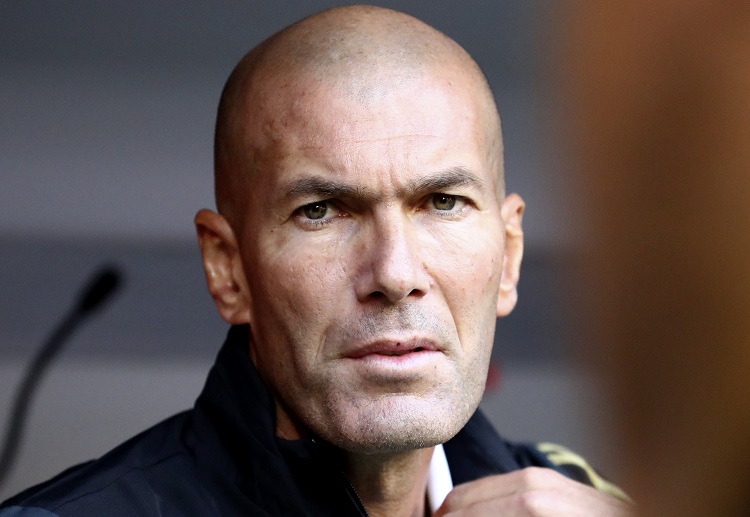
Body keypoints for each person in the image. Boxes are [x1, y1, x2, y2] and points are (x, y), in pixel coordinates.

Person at [1, 5, 631, 516]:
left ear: (510, 255)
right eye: (322, 211)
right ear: (229, 270)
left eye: (443, 202)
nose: (395, 273)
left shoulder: (590, 502)